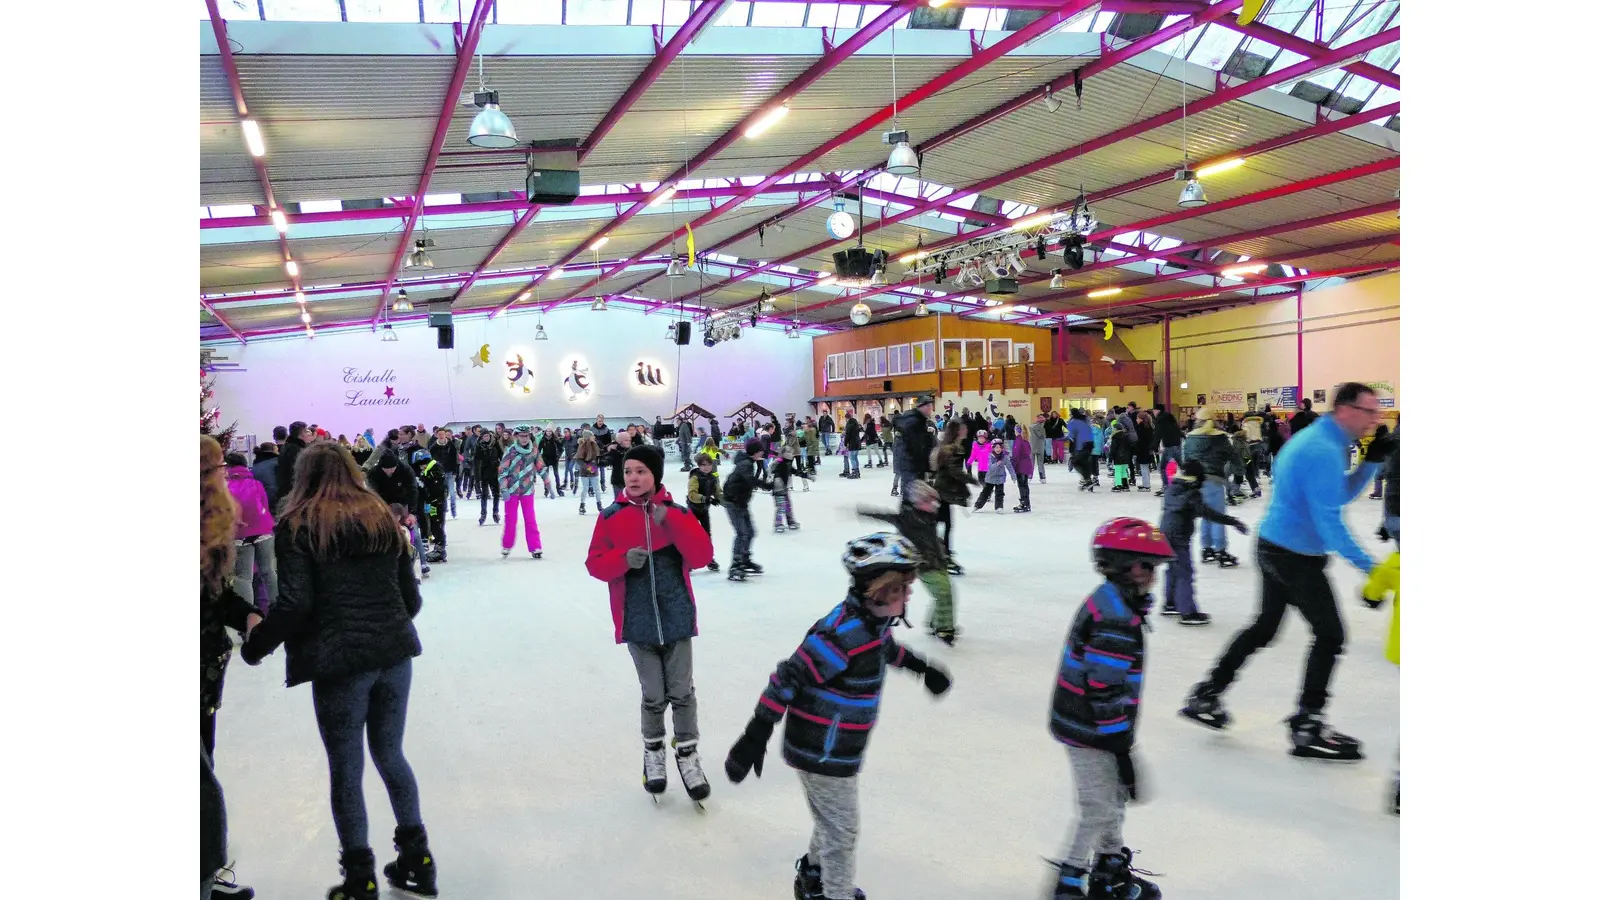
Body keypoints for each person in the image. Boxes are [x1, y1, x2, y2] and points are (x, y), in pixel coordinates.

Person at [239, 442, 435, 900]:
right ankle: (418, 860)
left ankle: (359, 878)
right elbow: (412, 598)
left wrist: (258, 645)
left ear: (301, 476)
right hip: (393, 654)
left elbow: (296, 602)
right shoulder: (382, 516)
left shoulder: (300, 523)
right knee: (391, 754)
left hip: (340, 661)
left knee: (346, 768)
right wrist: (385, 620)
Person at [723, 533, 952, 900]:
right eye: (900, 588)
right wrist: (756, 731)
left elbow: (883, 649)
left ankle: (814, 875)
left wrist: (920, 667)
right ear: (875, 590)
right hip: (821, 750)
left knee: (832, 820)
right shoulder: (842, 634)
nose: (908, 595)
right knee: (843, 829)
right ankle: (835, 893)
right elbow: (789, 676)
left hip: (838, 747)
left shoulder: (870, 626)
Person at [1180, 383, 1392, 761]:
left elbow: (1336, 495)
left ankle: (1207, 694)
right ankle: (1308, 726)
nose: (1376, 420)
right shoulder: (1321, 449)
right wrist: (1375, 571)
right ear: (1345, 409)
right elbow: (1330, 522)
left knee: (1264, 627)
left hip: (1275, 546)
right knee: (1330, 635)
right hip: (1292, 555)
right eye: (1370, 411)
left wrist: (1371, 461)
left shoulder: (1323, 440)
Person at [1046, 517, 1174, 900]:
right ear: (1126, 566)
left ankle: (1109, 868)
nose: (1154, 575)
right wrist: (1120, 746)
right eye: (1148, 566)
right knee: (1098, 807)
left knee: (1111, 798)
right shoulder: (1116, 617)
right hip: (1090, 726)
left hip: (1094, 723)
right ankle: (1069, 881)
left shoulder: (1115, 601)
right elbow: (1102, 687)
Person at [585, 445, 715, 805]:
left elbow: (702, 556)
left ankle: (688, 755)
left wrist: (669, 521)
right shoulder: (611, 517)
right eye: (628, 472)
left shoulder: (676, 513)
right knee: (654, 695)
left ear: (655, 475)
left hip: (676, 618)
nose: (634, 478)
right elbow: (594, 564)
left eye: (641, 471)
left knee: (682, 693)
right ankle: (654, 753)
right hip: (637, 621)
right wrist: (622, 559)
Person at [200, 436, 260, 900]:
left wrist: (249, 616)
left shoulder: (212, 526)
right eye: (218, 467)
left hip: (207, 670)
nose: (225, 474)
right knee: (201, 787)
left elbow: (216, 597)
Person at [860, 480, 957, 644]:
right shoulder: (907, 517)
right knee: (943, 592)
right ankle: (943, 628)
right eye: (929, 501)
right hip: (923, 564)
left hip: (937, 560)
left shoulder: (929, 516)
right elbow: (884, 516)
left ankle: (936, 623)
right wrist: (862, 511)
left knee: (944, 592)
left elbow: (932, 538)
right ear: (918, 501)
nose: (934, 504)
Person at [1161, 461, 1250, 626]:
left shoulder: (1173, 487)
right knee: (1184, 572)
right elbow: (1207, 513)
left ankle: (1170, 603)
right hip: (1179, 536)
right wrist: (1233, 521)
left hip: (1165, 534)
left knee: (1173, 569)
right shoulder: (1191, 493)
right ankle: (1188, 612)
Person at [1182, 408, 1239, 567]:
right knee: (1217, 516)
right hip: (1214, 481)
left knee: (1205, 514)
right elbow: (1233, 456)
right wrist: (1239, 473)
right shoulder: (1220, 437)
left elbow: (1184, 459)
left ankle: (1207, 549)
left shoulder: (1190, 438)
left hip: (1195, 483)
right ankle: (1221, 550)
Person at [225, 453, 278, 613]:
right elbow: (265, 506)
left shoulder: (225, 488)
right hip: (263, 532)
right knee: (268, 571)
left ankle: (249, 618)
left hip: (240, 536)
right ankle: (277, 609)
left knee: (243, 578)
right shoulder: (256, 484)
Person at [367, 452, 426, 579]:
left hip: (403, 503)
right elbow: (372, 494)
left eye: (392, 469)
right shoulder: (374, 473)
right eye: (386, 469)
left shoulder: (405, 470)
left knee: (413, 533)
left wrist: (412, 513)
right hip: (383, 506)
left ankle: (423, 563)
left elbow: (413, 491)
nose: (389, 472)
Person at [931, 420, 976, 575]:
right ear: (957, 431)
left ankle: (942, 553)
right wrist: (971, 480)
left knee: (943, 524)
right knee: (943, 524)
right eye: (963, 428)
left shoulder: (953, 447)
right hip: (943, 491)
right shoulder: (951, 449)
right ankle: (942, 555)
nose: (966, 430)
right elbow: (954, 471)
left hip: (944, 491)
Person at [721, 438, 770, 580]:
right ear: (756, 451)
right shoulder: (746, 464)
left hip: (740, 502)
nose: (762, 452)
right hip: (733, 502)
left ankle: (744, 559)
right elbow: (750, 480)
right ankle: (735, 566)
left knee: (750, 532)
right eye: (760, 450)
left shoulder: (748, 462)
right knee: (742, 533)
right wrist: (768, 486)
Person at [498, 425, 544, 559]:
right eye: (521, 436)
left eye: (527, 436)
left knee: (530, 519)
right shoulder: (510, 451)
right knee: (510, 519)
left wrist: (548, 484)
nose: (524, 438)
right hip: (511, 491)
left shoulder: (534, 451)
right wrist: (504, 489)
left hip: (527, 490)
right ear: (516, 436)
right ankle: (507, 545)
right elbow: (502, 471)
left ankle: (535, 546)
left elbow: (541, 467)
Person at [686, 453, 723, 573]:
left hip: (704, 510)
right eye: (703, 465)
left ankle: (709, 558)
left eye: (709, 465)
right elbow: (692, 495)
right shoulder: (695, 478)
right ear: (699, 466)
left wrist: (727, 501)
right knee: (691, 536)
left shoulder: (713, 478)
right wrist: (706, 499)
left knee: (707, 535)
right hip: (693, 510)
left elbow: (718, 493)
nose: (706, 467)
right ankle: (688, 560)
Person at [411, 447, 448, 564]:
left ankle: (440, 549)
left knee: (438, 524)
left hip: (437, 503)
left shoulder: (435, 469)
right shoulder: (428, 471)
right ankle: (438, 546)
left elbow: (436, 488)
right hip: (431, 503)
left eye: (421, 465)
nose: (421, 468)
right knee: (433, 523)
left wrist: (423, 483)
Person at [275, 421, 311, 511]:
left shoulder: (287, 447)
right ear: (301, 433)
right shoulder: (297, 450)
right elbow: (298, 473)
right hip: (295, 494)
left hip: (286, 492)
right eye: (306, 431)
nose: (308, 434)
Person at [770, 446, 807, 532]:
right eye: (789, 452)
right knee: (781, 507)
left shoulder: (788, 463)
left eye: (791, 453)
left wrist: (807, 476)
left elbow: (796, 472)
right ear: (783, 454)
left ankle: (790, 522)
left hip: (784, 489)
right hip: (778, 489)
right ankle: (778, 523)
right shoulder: (780, 461)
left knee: (788, 506)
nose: (791, 454)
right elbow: (772, 469)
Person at [427, 427, 460, 518]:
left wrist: (454, 472)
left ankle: (453, 510)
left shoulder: (451, 445)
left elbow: (455, 459)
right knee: (442, 493)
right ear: (437, 435)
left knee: (452, 493)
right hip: (439, 473)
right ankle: (444, 509)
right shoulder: (433, 447)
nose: (441, 436)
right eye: (439, 434)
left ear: (445, 435)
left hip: (449, 472)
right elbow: (431, 460)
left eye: (443, 434)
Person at [474, 424, 503, 526]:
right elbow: (476, 461)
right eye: (484, 436)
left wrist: (502, 467)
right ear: (481, 437)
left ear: (490, 436)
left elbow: (501, 455)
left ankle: (495, 512)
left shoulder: (495, 443)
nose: (486, 438)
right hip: (484, 473)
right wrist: (477, 477)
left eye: (487, 436)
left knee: (496, 494)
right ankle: (483, 513)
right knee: (484, 495)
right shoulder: (479, 446)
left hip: (495, 472)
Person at [973, 437, 1012, 512]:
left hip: (1000, 478)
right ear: (993, 448)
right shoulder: (989, 456)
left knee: (1000, 494)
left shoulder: (1004, 456)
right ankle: (977, 505)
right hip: (990, 478)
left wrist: (1013, 475)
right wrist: (997, 464)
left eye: (1000, 447)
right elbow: (989, 467)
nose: (998, 449)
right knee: (985, 493)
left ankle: (999, 507)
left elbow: (1009, 466)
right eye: (996, 447)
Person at [1152, 404, 1184, 496]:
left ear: (1157, 410)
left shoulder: (1160, 419)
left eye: (1154, 410)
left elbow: (1158, 433)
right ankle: (1190, 485)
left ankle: (1167, 488)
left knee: (1163, 467)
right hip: (1177, 444)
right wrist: (1182, 436)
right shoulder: (1170, 418)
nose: (1153, 413)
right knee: (1182, 466)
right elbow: (1177, 429)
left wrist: (1154, 446)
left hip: (1170, 446)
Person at [1066, 408, 1097, 491]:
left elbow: (1071, 435)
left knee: (1075, 462)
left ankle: (1087, 480)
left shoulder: (1074, 422)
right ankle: (1088, 481)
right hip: (1090, 444)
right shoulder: (1085, 420)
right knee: (1085, 463)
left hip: (1082, 445)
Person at [575, 430, 601, 515]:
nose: (594, 437)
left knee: (597, 488)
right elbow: (579, 459)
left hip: (594, 470)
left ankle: (599, 505)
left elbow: (598, 456)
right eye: (592, 436)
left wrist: (598, 464)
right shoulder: (582, 446)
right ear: (588, 437)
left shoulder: (595, 445)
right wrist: (589, 468)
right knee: (585, 489)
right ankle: (582, 506)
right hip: (585, 472)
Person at [1011, 424, 1035, 513]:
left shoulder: (1018, 441)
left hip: (1021, 466)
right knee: (1025, 485)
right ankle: (1027, 503)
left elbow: (1016, 455)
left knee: (1021, 485)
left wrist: (1013, 465)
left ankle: (1024, 503)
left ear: (1017, 431)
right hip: (1027, 465)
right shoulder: (1026, 441)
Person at [1107, 420, 1134, 492]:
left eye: (1113, 428)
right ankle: (1125, 485)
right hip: (1126, 457)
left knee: (1118, 471)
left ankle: (1118, 485)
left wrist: (1110, 458)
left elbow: (1113, 449)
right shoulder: (1126, 436)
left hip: (1118, 456)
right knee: (1124, 471)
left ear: (1115, 429)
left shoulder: (1115, 437)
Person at [840, 413, 862, 478]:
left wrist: (845, 443)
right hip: (857, 443)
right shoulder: (856, 424)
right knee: (855, 457)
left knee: (852, 458)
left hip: (852, 443)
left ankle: (854, 472)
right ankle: (857, 471)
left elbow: (848, 435)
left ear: (846, 418)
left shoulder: (849, 425)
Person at [1030, 414, 1050, 483]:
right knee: (1040, 463)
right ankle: (1043, 478)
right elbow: (1043, 436)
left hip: (1032, 446)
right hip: (1040, 447)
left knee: (1031, 463)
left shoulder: (1031, 427)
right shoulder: (1043, 429)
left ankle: (1029, 477)